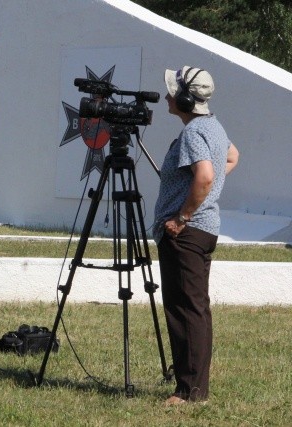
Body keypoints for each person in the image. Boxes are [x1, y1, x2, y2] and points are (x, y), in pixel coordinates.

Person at [154, 66, 239, 405]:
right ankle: (194, 385)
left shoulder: (193, 133)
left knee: (185, 309)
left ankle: (190, 392)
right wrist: (211, 185)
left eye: (173, 91)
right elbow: (232, 156)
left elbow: (204, 175)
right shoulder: (213, 127)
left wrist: (182, 216)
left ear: (186, 99)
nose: (167, 96)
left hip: (187, 232)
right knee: (196, 308)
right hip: (204, 230)